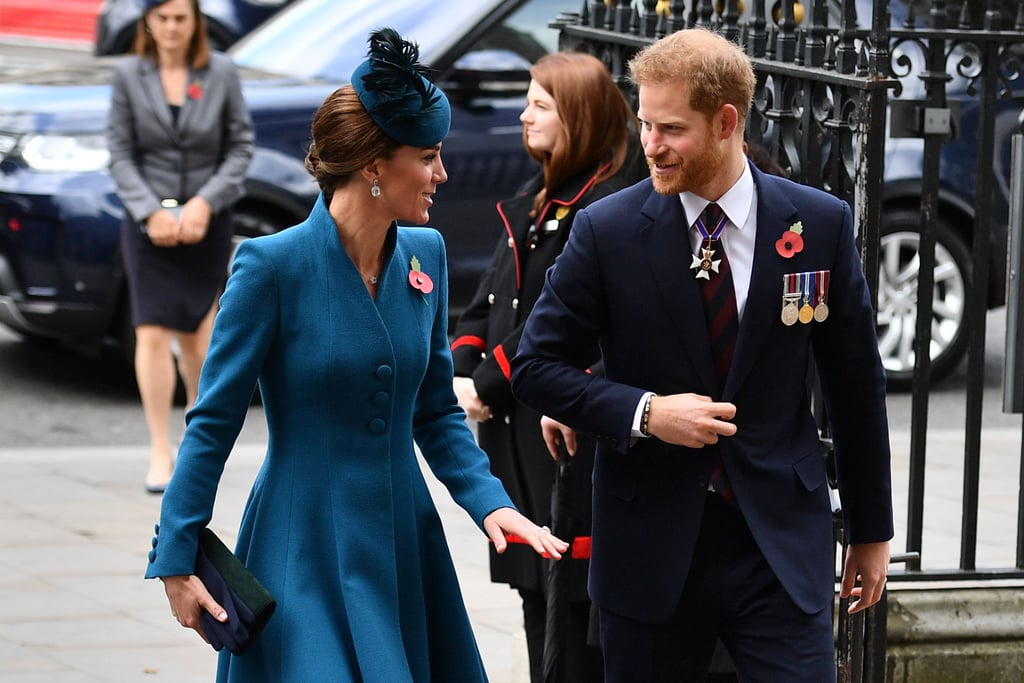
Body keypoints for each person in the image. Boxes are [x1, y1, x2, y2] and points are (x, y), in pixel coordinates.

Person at [143, 28, 568, 682]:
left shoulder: (427, 256)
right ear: (375, 164)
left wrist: (491, 502)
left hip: (403, 544)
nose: (442, 173)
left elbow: (434, 411)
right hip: (301, 542)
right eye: (428, 156)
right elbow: (213, 421)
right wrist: (176, 556)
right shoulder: (270, 266)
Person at [511, 27, 894, 682]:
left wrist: (871, 530)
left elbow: (855, 384)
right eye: (645, 124)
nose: (650, 146)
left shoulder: (819, 224)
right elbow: (535, 367)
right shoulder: (607, 231)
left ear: (726, 122)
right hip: (650, 548)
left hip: (777, 542)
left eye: (670, 129)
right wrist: (644, 411)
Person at [450, 51, 646, 683]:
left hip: (556, 433)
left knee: (570, 611)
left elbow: (547, 322)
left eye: (540, 103)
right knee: (537, 599)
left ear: (579, 117)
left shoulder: (601, 208)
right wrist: (463, 367)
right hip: (512, 439)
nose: (524, 114)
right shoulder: (534, 204)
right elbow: (487, 305)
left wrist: (485, 385)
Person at [107, 0, 254, 494]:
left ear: (195, 23)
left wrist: (203, 205)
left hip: (204, 220)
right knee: (150, 331)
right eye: (163, 17)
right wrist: (151, 210)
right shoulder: (129, 74)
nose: (171, 27)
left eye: (181, 18)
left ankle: (199, 439)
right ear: (148, 21)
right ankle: (158, 447)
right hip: (146, 221)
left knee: (197, 332)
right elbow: (121, 154)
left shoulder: (222, 72)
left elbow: (239, 149)